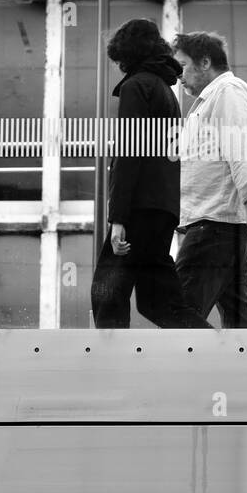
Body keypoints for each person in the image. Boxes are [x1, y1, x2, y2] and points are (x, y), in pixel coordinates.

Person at [90, 19, 213, 329]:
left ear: (127, 53)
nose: (117, 63)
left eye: (118, 56)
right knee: (157, 301)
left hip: (139, 209)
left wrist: (119, 219)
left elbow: (130, 155)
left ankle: (111, 366)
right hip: (162, 208)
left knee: (107, 292)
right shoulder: (165, 90)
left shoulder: (137, 87)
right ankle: (208, 348)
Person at [172, 31, 247, 328]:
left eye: (183, 66)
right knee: (238, 314)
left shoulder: (227, 91)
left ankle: (184, 372)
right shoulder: (208, 100)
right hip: (220, 222)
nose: (179, 76)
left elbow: (237, 145)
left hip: (217, 222)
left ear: (204, 62)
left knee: (178, 310)